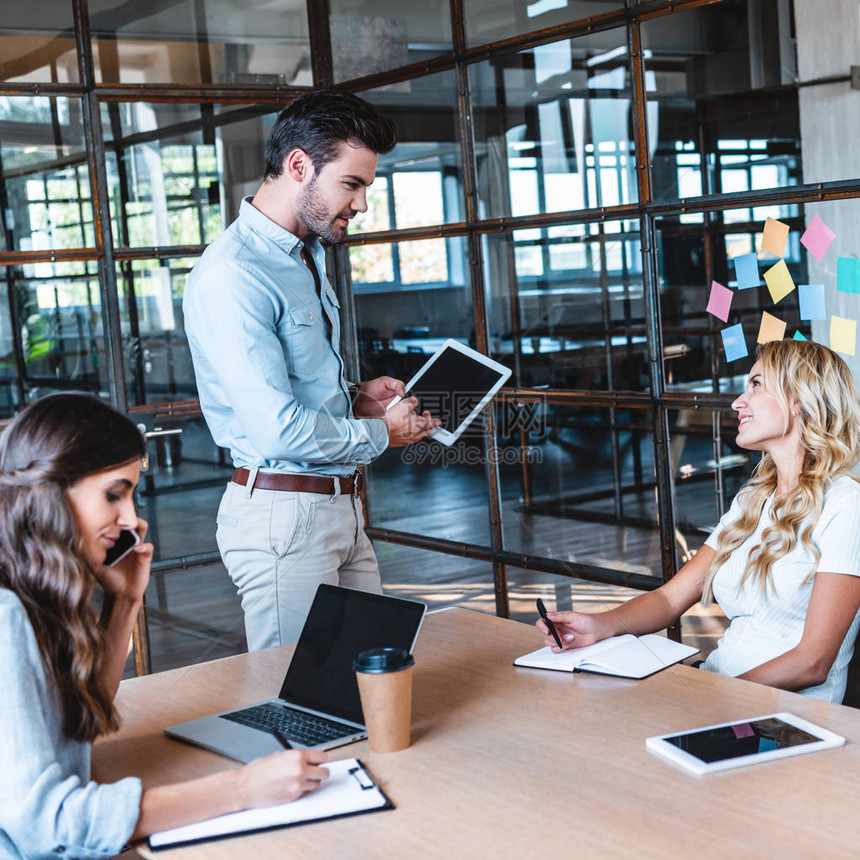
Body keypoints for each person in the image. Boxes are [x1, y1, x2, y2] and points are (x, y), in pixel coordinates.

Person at [0, 394, 329, 856]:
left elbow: (80, 721)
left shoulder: (30, 594)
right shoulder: (6, 616)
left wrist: (125, 599)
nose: (133, 519)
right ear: (48, 491)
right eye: (114, 493)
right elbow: (50, 824)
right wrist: (241, 789)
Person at [183, 90, 439, 650]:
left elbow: (289, 386)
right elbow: (276, 428)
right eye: (353, 184)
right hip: (283, 516)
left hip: (337, 507)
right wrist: (382, 432)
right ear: (299, 166)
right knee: (297, 701)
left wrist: (353, 394)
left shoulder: (303, 256)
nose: (362, 204)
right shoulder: (235, 275)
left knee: (366, 683)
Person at [537, 339, 860, 703]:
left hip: (782, 721)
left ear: (798, 400)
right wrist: (599, 626)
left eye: (755, 385)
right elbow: (669, 599)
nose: (738, 402)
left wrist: (711, 699)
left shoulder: (847, 504)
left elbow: (813, 663)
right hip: (720, 694)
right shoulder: (753, 500)